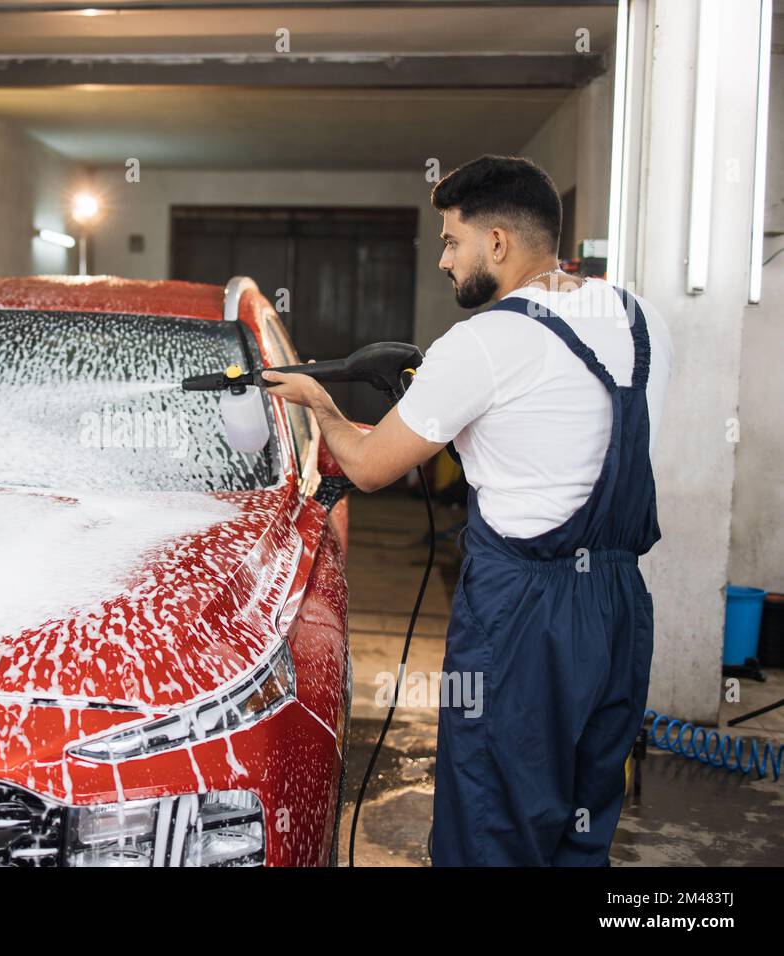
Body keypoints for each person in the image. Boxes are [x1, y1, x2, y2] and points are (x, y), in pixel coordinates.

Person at [263, 154, 672, 866]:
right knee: (583, 818)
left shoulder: (485, 342)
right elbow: (551, 430)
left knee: (490, 818)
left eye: (452, 241)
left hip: (521, 618)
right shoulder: (644, 320)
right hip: (618, 610)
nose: (446, 261)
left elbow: (369, 468)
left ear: (499, 243)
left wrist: (321, 405)